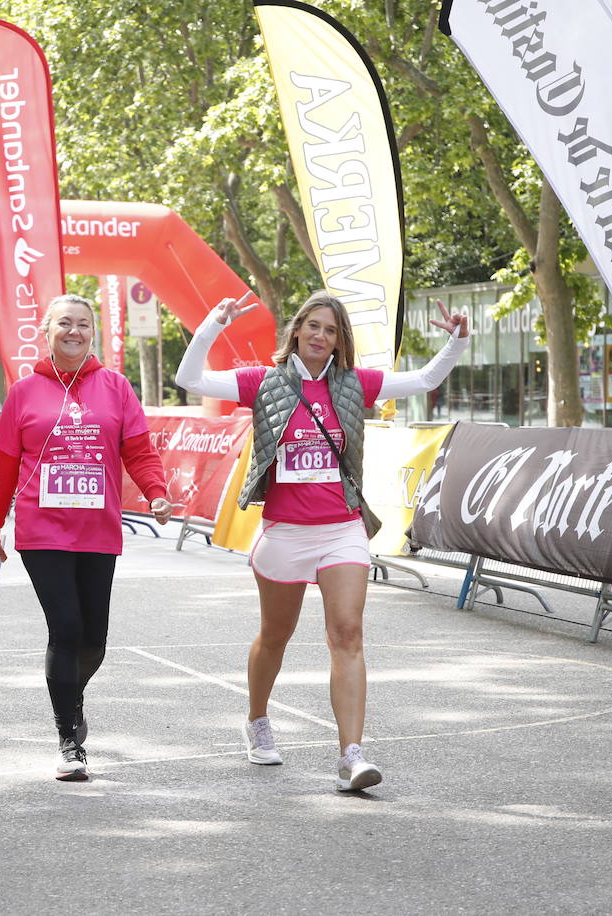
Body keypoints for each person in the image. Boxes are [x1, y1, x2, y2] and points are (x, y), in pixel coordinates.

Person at [174, 291, 469, 792]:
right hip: (285, 533)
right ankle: (257, 719)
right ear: (296, 331)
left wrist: (457, 341)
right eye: (313, 326)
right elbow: (190, 379)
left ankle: (351, 756)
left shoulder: (354, 384)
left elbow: (423, 380)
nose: (320, 336)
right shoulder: (263, 382)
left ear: (340, 341)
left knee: (348, 632)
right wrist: (211, 326)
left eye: (330, 330)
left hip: (342, 529)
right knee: (275, 636)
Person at [0, 294, 172, 781]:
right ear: (46, 331)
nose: (74, 331)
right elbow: (3, 466)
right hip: (41, 529)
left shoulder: (114, 386)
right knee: (65, 628)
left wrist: (156, 492)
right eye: (64, 323)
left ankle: (70, 691)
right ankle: (69, 740)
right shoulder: (25, 392)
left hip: (97, 529)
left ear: (93, 333)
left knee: (94, 640)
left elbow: (138, 448)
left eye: (84, 325)